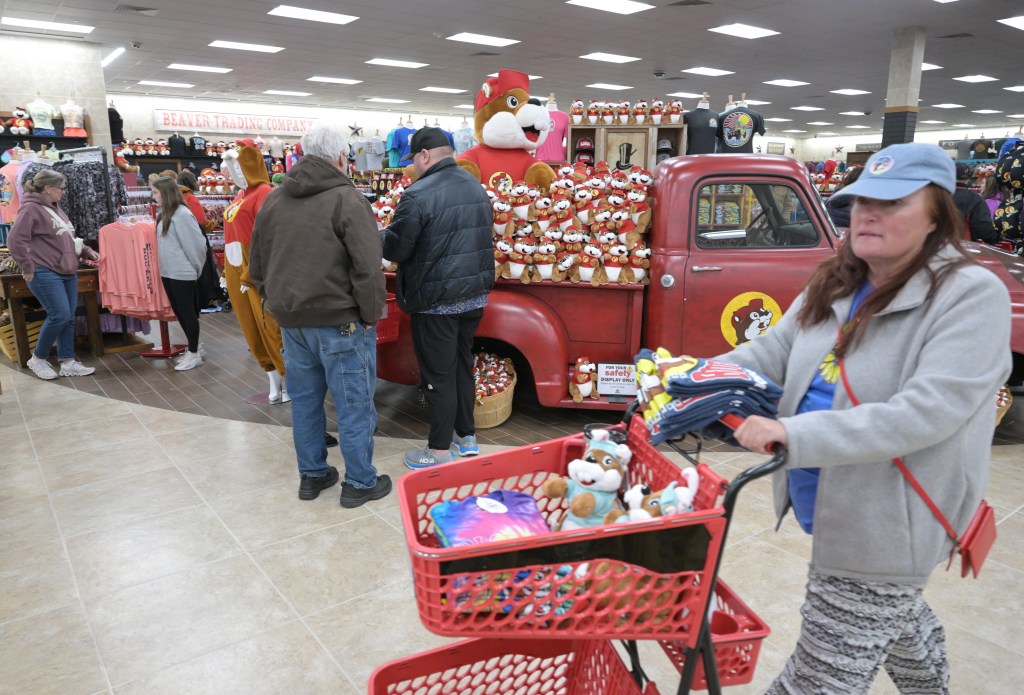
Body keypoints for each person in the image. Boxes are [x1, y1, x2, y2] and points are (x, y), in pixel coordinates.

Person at [717, 143, 1011, 694]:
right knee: (895, 620)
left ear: (936, 215)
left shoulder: (970, 295)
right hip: (826, 495)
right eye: (859, 201)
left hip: (888, 517)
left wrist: (789, 431)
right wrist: (694, 378)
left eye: (892, 202)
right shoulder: (838, 278)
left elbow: (926, 411)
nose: (867, 214)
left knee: (819, 678)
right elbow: (772, 351)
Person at [249, 124, 391, 508]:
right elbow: (367, 266)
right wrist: (370, 313)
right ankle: (360, 481)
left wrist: (278, 304)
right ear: (341, 156)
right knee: (353, 403)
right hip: (341, 322)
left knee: (306, 402)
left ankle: (313, 475)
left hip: (292, 323)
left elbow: (257, 265)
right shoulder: (348, 199)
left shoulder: (274, 201)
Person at [381, 127, 494, 470]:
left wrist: (378, 234)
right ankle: (467, 438)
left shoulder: (418, 195)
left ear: (425, 156)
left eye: (413, 160)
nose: (412, 167)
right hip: (473, 297)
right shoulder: (476, 186)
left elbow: (397, 247)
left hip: (436, 299)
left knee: (437, 376)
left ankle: (440, 451)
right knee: (461, 367)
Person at [8, 169, 99, 380]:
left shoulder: (56, 208)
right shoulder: (31, 209)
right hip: (45, 271)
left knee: (67, 317)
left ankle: (67, 361)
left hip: (67, 270)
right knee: (59, 314)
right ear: (48, 188)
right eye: (61, 188)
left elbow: (67, 237)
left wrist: (86, 250)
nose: (64, 192)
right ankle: (38, 358)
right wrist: (27, 267)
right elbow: (15, 241)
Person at [151, 176, 208, 371]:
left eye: (156, 192)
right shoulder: (167, 214)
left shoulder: (182, 214)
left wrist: (196, 268)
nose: (154, 196)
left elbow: (197, 245)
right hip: (169, 271)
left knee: (187, 312)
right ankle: (194, 348)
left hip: (182, 272)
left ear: (166, 193)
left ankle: (194, 352)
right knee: (181, 312)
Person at [952, 162, 998, 243]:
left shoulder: (938, 195)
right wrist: (995, 239)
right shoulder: (975, 198)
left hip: (935, 248)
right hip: (963, 247)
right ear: (968, 178)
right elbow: (984, 229)